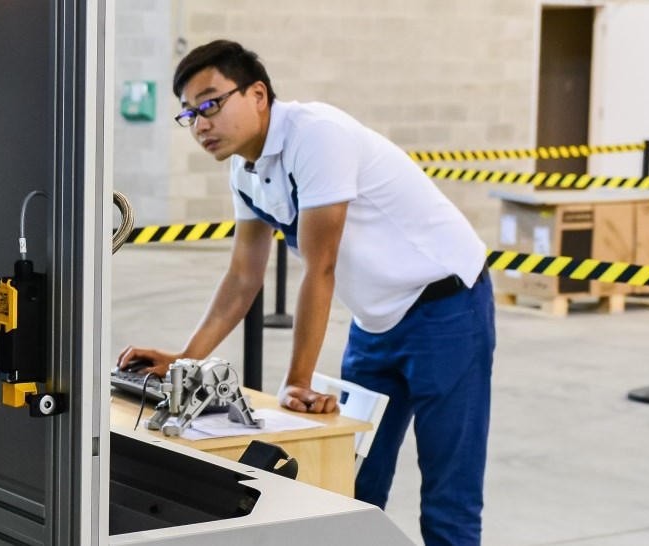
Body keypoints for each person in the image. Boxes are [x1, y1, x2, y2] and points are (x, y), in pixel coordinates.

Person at [117, 40, 497, 545]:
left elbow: (322, 268)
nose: (201, 123)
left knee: (449, 498)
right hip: (374, 323)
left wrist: (296, 381)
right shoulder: (245, 169)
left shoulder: (317, 136)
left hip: (449, 310)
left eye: (210, 104)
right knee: (352, 485)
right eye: (189, 114)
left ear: (257, 93)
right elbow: (243, 277)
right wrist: (184, 360)